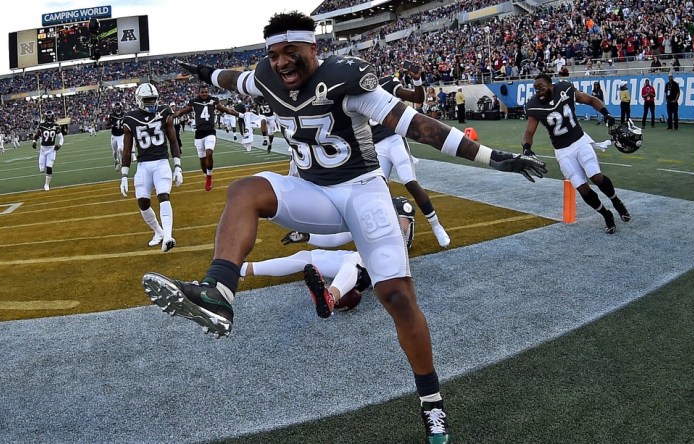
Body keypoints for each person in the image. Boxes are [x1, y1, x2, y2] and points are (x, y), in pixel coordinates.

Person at [143, 12, 546, 444]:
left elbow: (421, 127)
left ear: (313, 47)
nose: (281, 62)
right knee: (245, 190)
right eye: (274, 55)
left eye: (290, 52)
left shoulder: (346, 77)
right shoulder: (266, 75)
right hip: (312, 193)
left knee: (396, 297)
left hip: (361, 190)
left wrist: (495, 158)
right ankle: (218, 293)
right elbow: (235, 79)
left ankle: (431, 401)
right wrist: (204, 72)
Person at [243, 196, 417, 314]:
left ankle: (330, 297)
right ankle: (244, 269)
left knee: (353, 259)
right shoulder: (375, 220)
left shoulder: (399, 222)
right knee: (306, 257)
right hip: (364, 264)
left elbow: (402, 225)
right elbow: (336, 238)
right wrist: (307, 236)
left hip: (383, 271)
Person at [522, 73, 630, 234]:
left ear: (551, 85)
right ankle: (605, 214)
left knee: (596, 177)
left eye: (541, 87)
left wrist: (605, 113)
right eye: (535, 88)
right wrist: (526, 148)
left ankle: (616, 201)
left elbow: (592, 100)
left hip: (580, 141)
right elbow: (529, 132)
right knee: (582, 188)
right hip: (562, 151)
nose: (538, 91)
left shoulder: (565, 88)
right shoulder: (533, 106)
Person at [373, 66, 451, 247]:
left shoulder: (385, 83)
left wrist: (417, 80)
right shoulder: (353, 93)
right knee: (376, 190)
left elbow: (417, 98)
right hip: (376, 145)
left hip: (394, 139)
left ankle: (436, 225)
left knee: (410, 182)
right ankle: (384, 232)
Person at [120, 83, 183, 252]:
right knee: (142, 202)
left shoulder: (164, 112)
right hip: (143, 165)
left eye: (153, 100)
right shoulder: (130, 118)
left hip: (161, 162)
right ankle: (159, 232)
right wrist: (124, 175)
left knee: (163, 196)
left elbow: (173, 140)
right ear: (139, 100)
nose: (151, 103)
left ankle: (168, 236)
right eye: (147, 100)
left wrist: (177, 166)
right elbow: (127, 149)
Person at [172, 84, 242, 191]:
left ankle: (209, 177)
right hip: (199, 134)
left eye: (206, 92)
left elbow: (227, 110)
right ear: (198, 93)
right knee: (202, 160)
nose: (204, 94)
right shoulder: (194, 102)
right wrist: (172, 115)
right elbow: (182, 112)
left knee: (209, 153)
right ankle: (206, 175)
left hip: (210, 132)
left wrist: (241, 116)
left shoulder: (213, 101)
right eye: (202, 92)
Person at [32, 110, 64, 191]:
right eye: (48, 116)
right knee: (42, 170)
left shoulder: (56, 126)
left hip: (51, 149)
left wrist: (59, 145)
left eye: (50, 116)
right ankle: (44, 174)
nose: (49, 118)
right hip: (43, 150)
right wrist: (34, 141)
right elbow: (36, 135)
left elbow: (61, 138)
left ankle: (46, 184)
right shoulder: (42, 125)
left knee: (49, 166)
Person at [106, 102, 125, 171]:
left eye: (118, 106)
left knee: (120, 149)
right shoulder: (112, 115)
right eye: (116, 107)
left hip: (121, 135)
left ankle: (121, 162)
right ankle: (116, 161)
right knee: (114, 152)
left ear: (120, 107)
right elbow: (106, 126)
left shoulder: (124, 114)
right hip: (114, 135)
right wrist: (111, 125)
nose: (117, 108)